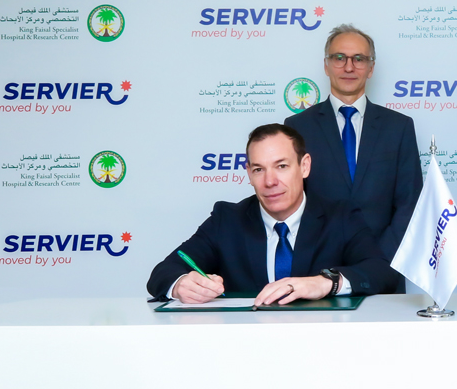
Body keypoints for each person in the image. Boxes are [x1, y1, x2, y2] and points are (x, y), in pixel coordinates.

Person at [147, 124, 398, 305]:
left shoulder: (340, 216)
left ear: (304, 166)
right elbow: (164, 272)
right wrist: (180, 285)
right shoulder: (227, 220)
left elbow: (381, 272)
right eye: (259, 169)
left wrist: (325, 283)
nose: (270, 181)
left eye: (281, 166)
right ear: (249, 174)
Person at [284, 24, 422, 267]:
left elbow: (410, 204)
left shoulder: (399, 127)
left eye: (359, 59)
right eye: (339, 58)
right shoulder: (298, 127)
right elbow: (293, 200)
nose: (349, 67)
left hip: (384, 267)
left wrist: (378, 260)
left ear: (371, 68)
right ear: (326, 65)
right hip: (317, 269)